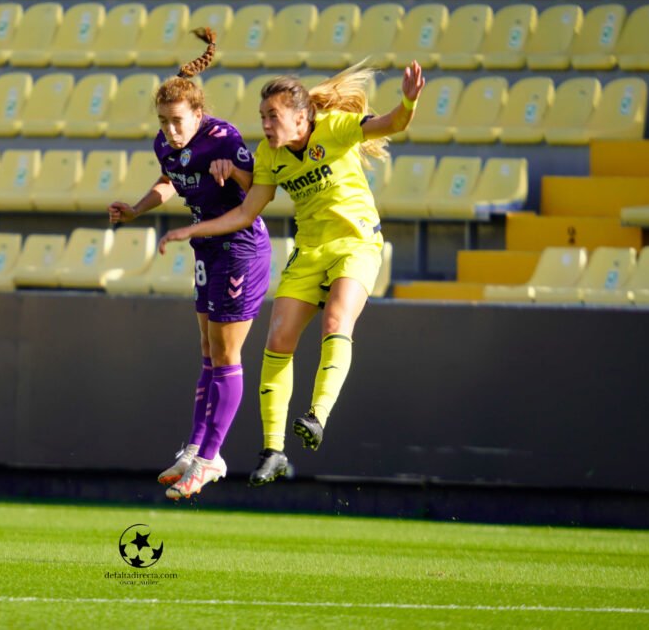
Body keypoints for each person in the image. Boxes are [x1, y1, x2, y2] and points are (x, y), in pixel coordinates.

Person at [159, 61, 425, 486]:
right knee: (278, 340)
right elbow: (247, 211)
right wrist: (191, 228)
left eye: (273, 116)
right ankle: (274, 450)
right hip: (309, 251)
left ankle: (317, 414)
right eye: (262, 116)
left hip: (356, 245)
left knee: (337, 320)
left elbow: (394, 122)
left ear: (301, 117)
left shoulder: (335, 128)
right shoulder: (270, 156)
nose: (264, 124)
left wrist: (409, 99)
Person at [108, 28, 271, 500]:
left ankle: (210, 458)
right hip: (207, 249)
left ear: (198, 113)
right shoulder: (166, 146)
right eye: (163, 122)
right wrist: (137, 208)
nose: (170, 131)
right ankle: (195, 446)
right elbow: (170, 182)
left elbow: (260, 184)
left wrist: (232, 172)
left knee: (226, 355)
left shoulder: (223, 137)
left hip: (240, 246)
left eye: (178, 120)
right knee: (206, 349)